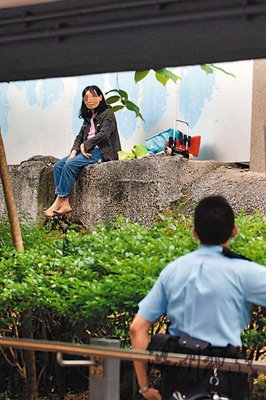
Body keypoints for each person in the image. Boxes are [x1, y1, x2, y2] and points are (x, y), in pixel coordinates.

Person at [129, 195, 266, 400]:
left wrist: (144, 387)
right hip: (224, 375)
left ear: (194, 233)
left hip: (177, 376)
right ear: (234, 231)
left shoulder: (174, 270)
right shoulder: (245, 272)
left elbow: (137, 328)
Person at [44, 85, 121, 216]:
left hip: (101, 151)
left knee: (70, 165)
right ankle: (65, 203)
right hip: (85, 150)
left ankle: (58, 201)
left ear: (100, 97)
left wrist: (86, 144)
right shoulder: (88, 117)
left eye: (93, 97)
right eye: (86, 98)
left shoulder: (108, 113)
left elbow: (104, 134)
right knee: (58, 166)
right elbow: (79, 137)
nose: (89, 100)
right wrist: (74, 151)